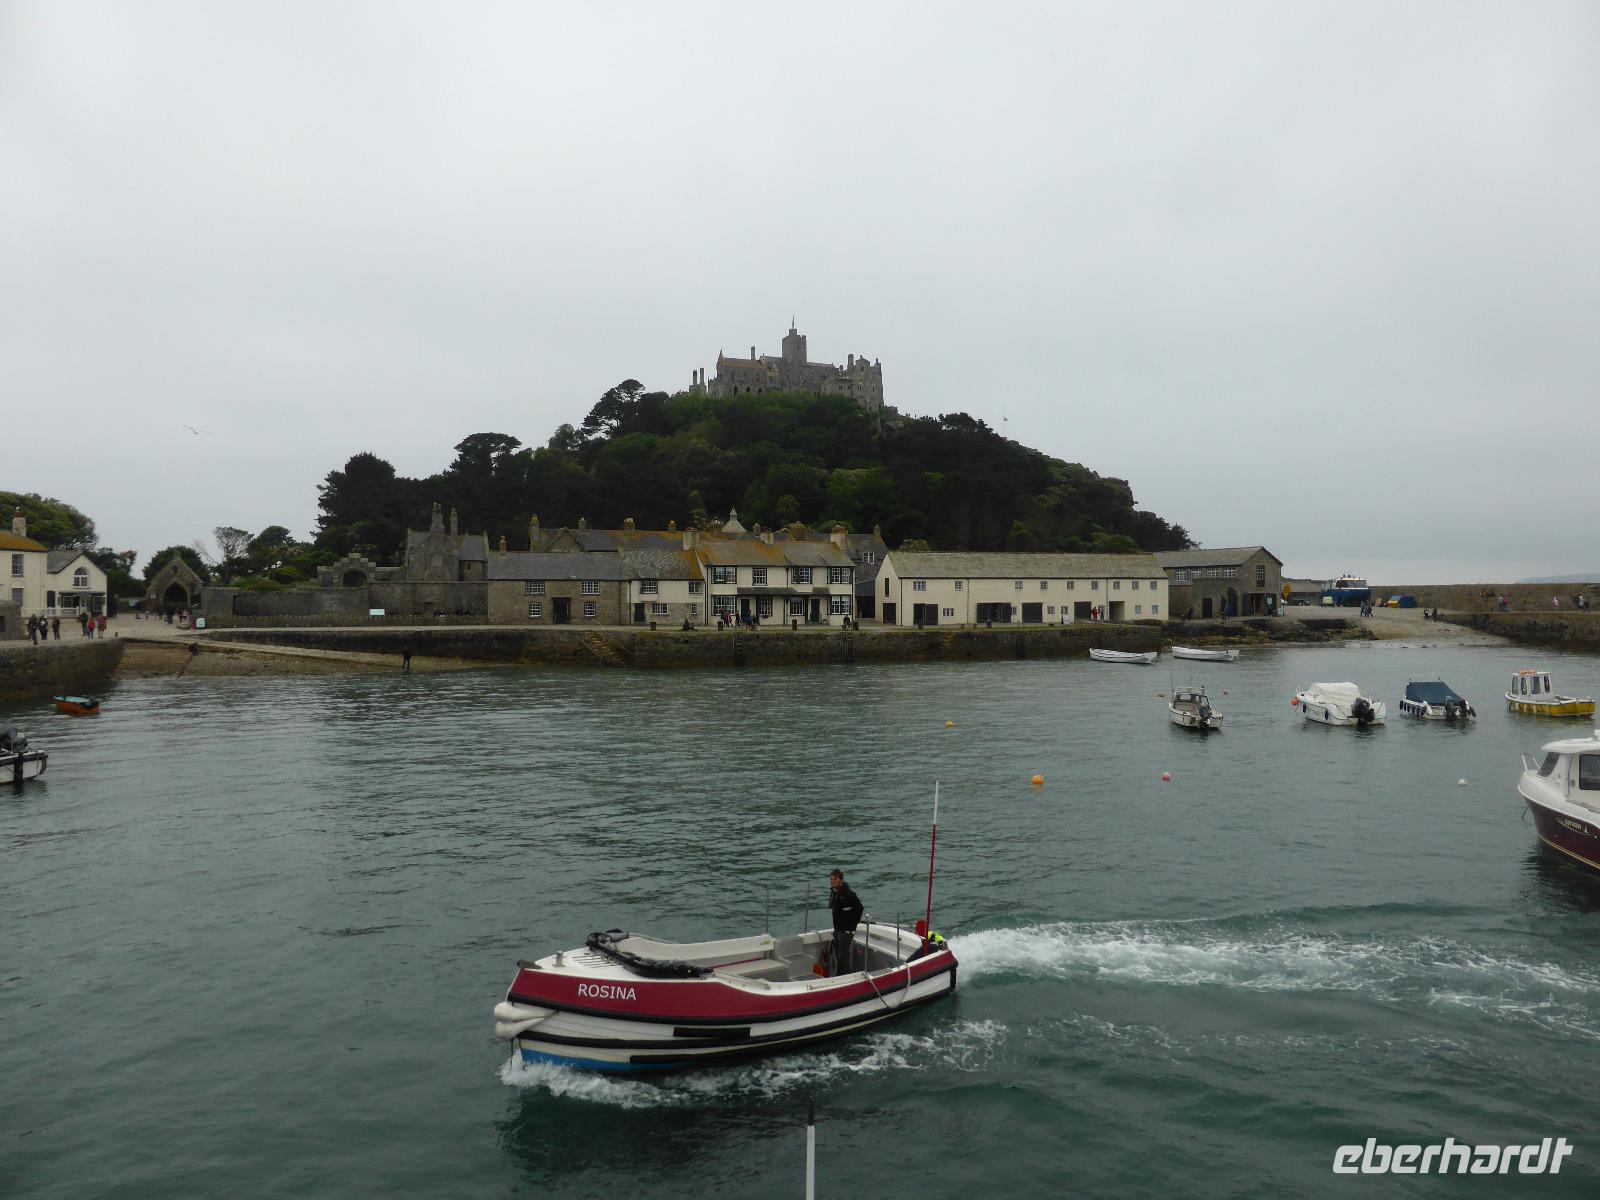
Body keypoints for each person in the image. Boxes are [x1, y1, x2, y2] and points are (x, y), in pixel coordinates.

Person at [827, 868, 863, 976]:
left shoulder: (849, 894)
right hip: (837, 929)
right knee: (838, 955)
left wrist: (852, 924)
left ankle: (848, 976)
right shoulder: (834, 892)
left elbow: (859, 908)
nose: (832, 882)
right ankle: (840, 975)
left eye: (834, 879)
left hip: (846, 930)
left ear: (840, 880)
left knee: (843, 956)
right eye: (831, 879)